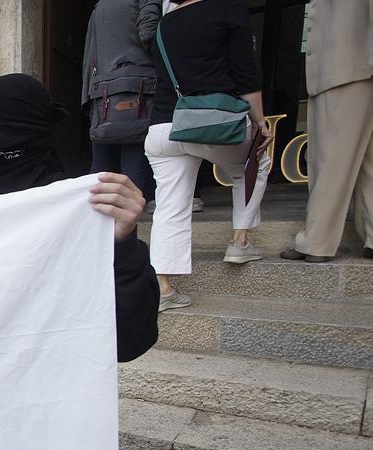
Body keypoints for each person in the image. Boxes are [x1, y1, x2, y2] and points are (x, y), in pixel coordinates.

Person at [0, 73, 159, 363]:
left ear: (15, 137)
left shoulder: (84, 212)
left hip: (48, 396)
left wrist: (121, 244)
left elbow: (130, 341)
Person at [144, 0, 272, 311]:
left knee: (170, 206)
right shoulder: (229, 10)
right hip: (215, 122)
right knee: (255, 162)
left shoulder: (163, 24)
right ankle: (240, 241)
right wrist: (260, 121)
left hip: (163, 127)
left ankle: (162, 288)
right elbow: (246, 74)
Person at [280, 2, 373, 263]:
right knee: (367, 161)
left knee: (330, 159)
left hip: (344, 67)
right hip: (353, 64)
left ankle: (317, 241)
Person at [81, 0, 162, 196]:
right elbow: (148, 33)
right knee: (133, 162)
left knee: (101, 167)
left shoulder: (101, 4)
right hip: (136, 88)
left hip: (101, 92)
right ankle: (130, 225)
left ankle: (96, 220)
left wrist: (88, 97)